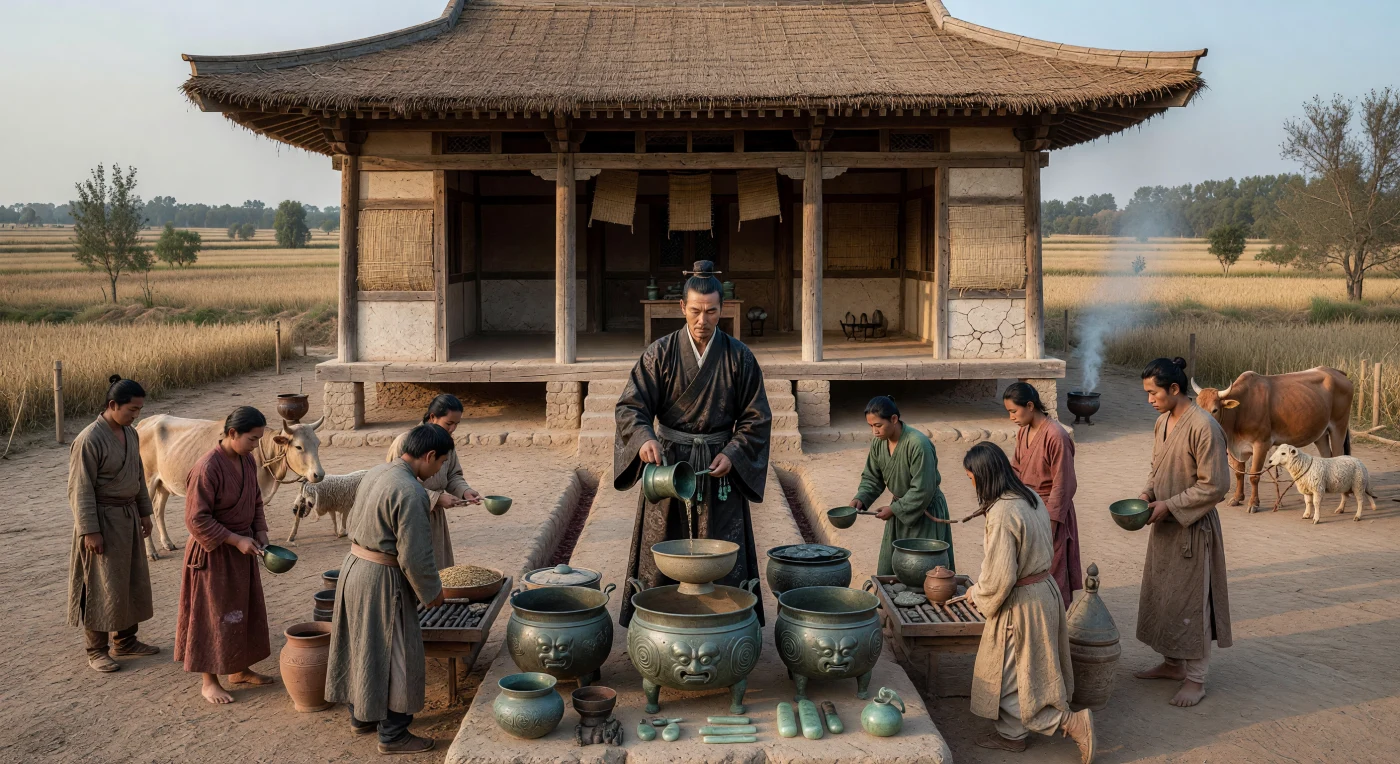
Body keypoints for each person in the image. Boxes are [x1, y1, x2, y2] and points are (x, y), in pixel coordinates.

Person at [615, 259, 772, 627]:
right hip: (670, 465)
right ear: (682, 307)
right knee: (664, 544)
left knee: (722, 548)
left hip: (720, 466)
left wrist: (734, 452)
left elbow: (757, 417)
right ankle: (657, 623)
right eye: (696, 311)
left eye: (712, 311)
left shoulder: (739, 357)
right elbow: (630, 407)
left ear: (722, 309)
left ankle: (728, 623)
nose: (703, 320)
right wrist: (644, 439)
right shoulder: (660, 353)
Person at [955, 442, 1095, 762]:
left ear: (983, 476)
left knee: (1009, 678)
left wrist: (977, 593)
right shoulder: (1028, 495)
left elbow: (1000, 576)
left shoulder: (1002, 513)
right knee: (1022, 672)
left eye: (971, 478)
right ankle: (1012, 735)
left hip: (1021, 604)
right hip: (1043, 591)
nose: (971, 484)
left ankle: (1070, 723)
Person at [326, 423, 449, 755]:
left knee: (361, 644)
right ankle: (394, 734)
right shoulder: (412, 491)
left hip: (353, 569)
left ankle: (361, 716)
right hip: (381, 578)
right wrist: (432, 592)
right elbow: (416, 555)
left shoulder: (377, 471)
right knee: (398, 652)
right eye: (440, 464)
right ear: (429, 456)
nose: (439, 471)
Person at [1134, 357, 1232, 707]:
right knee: (1165, 598)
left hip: (1192, 529)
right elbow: (1156, 469)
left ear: (1174, 389)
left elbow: (1215, 485)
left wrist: (1170, 505)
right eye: (1147, 393)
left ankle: (1195, 680)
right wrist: (1147, 495)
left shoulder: (1204, 427)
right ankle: (1173, 665)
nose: (1150, 400)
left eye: (1153, 393)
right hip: (1164, 527)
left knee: (1193, 604)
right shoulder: (1162, 422)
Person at [173, 406, 275, 704]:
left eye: (258, 439)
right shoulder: (207, 467)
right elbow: (196, 520)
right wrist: (234, 539)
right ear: (232, 433)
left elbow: (255, 500)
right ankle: (209, 682)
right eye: (252, 439)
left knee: (241, 609)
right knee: (212, 615)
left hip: (242, 549)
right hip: (213, 554)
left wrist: (261, 531)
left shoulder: (247, 460)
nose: (255, 445)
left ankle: (239, 668)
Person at [66, 375, 160, 673]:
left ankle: (126, 641)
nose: (136, 415)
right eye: (132, 409)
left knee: (129, 579)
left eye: (139, 410)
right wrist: (90, 530)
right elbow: (80, 489)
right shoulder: (89, 439)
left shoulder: (131, 434)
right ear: (112, 405)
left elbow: (138, 476)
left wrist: (145, 513)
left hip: (128, 517)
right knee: (100, 583)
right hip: (102, 521)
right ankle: (96, 649)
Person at [850, 395, 955, 576]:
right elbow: (872, 477)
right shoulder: (878, 443)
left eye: (878, 425)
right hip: (899, 510)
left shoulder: (918, 444)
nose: (874, 432)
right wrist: (861, 498)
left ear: (894, 419)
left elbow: (923, 489)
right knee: (891, 570)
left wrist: (894, 509)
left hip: (925, 512)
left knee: (925, 571)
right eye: (871, 426)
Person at [1004, 382, 1081, 608]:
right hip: (1028, 510)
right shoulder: (1023, 432)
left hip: (1050, 514)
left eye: (1014, 411)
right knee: (1027, 571)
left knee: (1051, 571)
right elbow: (1016, 469)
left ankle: (1053, 620)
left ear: (1030, 406)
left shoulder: (1056, 435)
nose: (1011, 417)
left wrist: (1050, 524)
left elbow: (1063, 484)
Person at [385, 394, 482, 568]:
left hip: (435, 520)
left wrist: (465, 491)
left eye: (456, 424)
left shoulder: (445, 442)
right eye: (449, 423)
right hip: (410, 516)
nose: (452, 429)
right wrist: (436, 498)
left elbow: (453, 474)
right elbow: (396, 484)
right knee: (414, 566)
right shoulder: (404, 442)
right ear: (432, 417)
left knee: (437, 568)